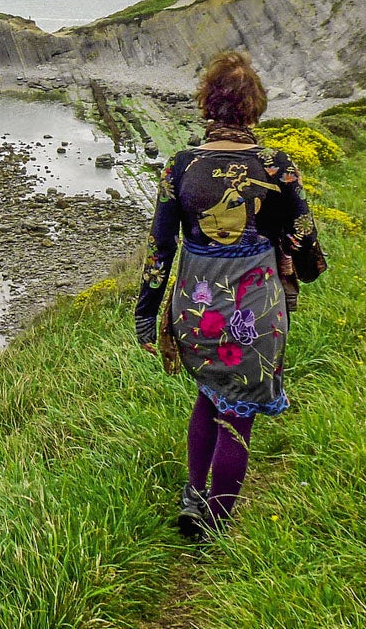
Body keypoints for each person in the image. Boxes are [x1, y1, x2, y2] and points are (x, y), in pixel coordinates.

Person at [134, 50, 323, 542]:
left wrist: (146, 314)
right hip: (254, 312)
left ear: (207, 104)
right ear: (254, 107)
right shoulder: (276, 165)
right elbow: (303, 236)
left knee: (208, 395)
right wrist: (304, 268)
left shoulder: (180, 165)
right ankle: (215, 525)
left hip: (194, 310)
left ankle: (194, 496)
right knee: (237, 410)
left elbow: (160, 246)